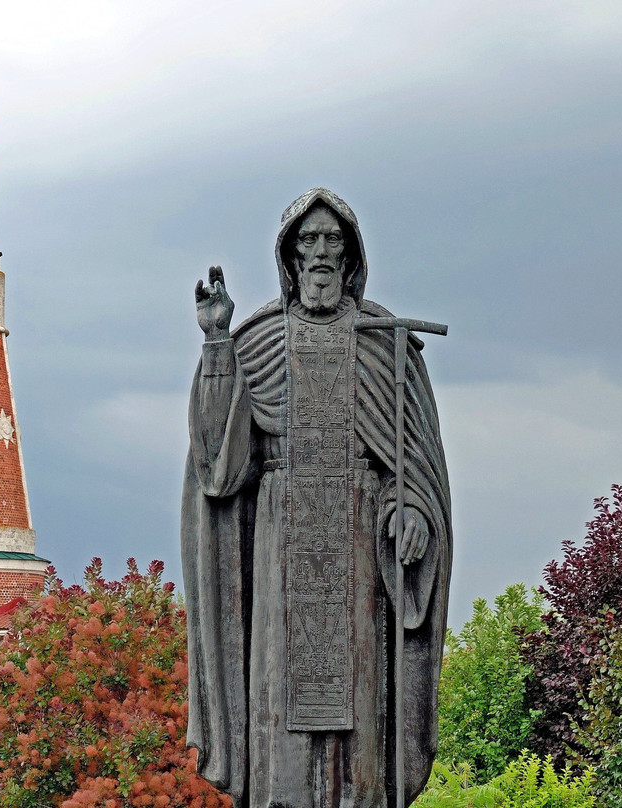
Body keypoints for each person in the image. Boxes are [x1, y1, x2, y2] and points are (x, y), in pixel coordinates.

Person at [181, 188, 451, 808]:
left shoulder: (386, 344)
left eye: (334, 240)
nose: (322, 253)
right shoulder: (257, 341)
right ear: (290, 256)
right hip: (280, 557)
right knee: (281, 727)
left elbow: (412, 473)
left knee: (357, 734)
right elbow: (219, 473)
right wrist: (218, 340)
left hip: (358, 561)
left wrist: (409, 515)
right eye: (310, 240)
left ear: (352, 255)